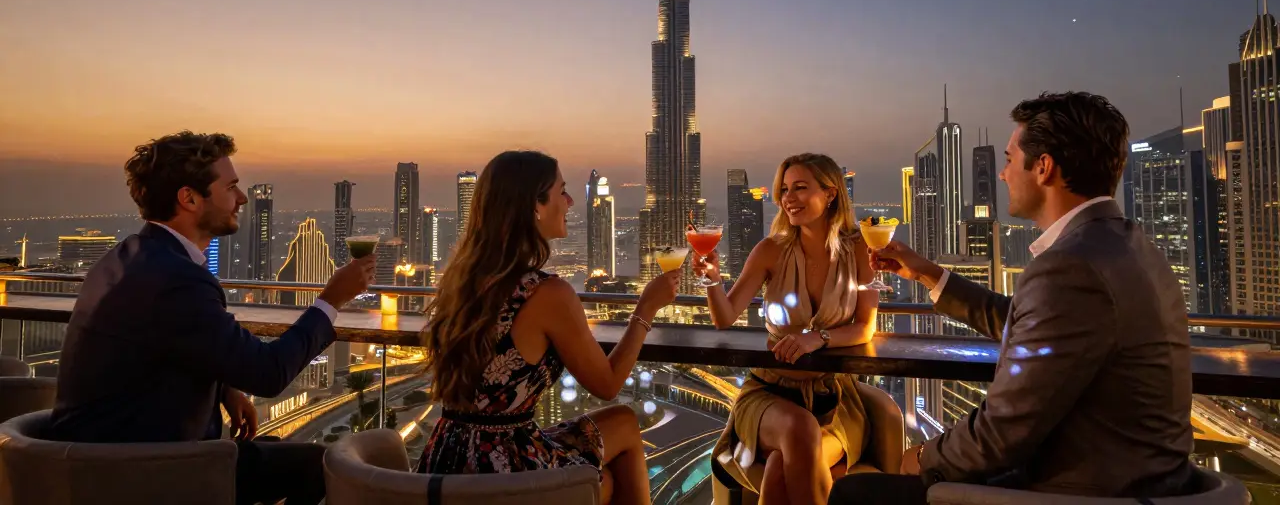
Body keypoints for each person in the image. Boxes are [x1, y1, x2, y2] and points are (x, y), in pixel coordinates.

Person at [830, 92, 1195, 504]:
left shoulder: (1072, 267)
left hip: (1081, 490)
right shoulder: (1127, 246)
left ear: (1043, 168)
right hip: (1143, 482)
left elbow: (1002, 432)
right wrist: (928, 274)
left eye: (1008, 159)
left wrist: (924, 455)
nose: (1002, 175)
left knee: (856, 494)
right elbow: (1032, 326)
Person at [48, 132, 376, 505]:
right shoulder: (177, 280)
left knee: (270, 448)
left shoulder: (130, 257)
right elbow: (269, 372)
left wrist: (225, 387)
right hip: (145, 472)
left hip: (98, 459)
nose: (242, 198)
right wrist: (332, 299)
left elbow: (156, 346)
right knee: (319, 465)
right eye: (231, 187)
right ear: (188, 198)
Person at [417, 150, 679, 505]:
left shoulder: (460, 283)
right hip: (503, 474)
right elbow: (607, 383)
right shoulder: (546, 293)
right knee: (610, 473)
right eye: (561, 191)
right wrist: (646, 308)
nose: (570, 201)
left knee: (622, 423)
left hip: (446, 460)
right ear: (535, 206)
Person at [696, 154, 879, 505]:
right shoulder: (770, 250)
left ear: (830, 194)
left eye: (799, 187)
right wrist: (713, 280)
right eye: (783, 189)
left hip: (834, 402)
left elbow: (865, 328)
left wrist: (815, 339)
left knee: (782, 464)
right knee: (799, 429)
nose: (788, 198)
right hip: (769, 395)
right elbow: (725, 316)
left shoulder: (859, 248)